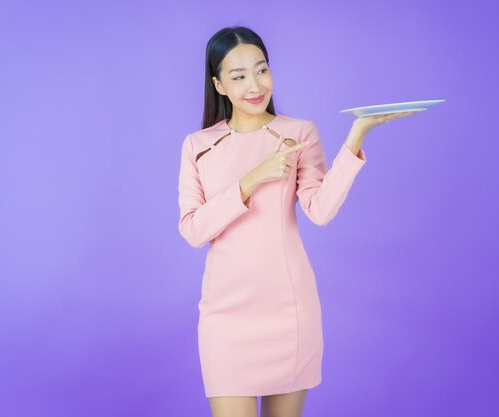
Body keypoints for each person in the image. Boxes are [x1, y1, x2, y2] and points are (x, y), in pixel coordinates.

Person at [177, 25, 415, 417]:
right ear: (219, 85)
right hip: (225, 316)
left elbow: (319, 211)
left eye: (262, 70)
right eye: (238, 76)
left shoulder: (297, 133)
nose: (255, 85)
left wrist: (355, 137)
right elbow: (193, 229)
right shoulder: (198, 146)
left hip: (288, 310)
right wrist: (255, 177)